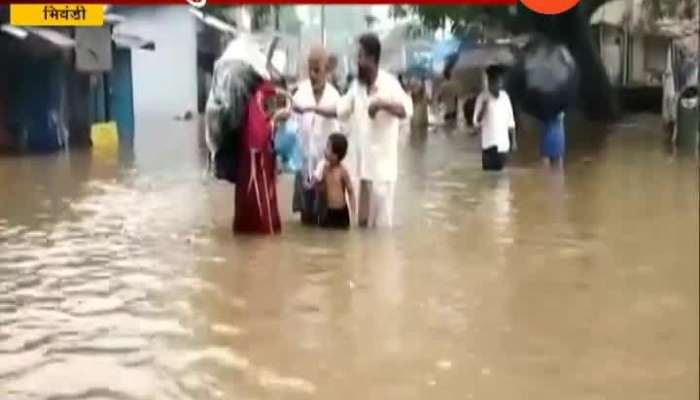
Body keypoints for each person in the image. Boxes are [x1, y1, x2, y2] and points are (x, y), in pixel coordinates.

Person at [301, 33, 412, 228]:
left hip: (383, 175)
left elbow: (406, 110)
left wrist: (382, 104)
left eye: (360, 56)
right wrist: (310, 108)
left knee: (381, 232)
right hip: (362, 172)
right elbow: (338, 109)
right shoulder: (356, 88)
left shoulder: (389, 84)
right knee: (361, 226)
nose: (357, 61)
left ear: (371, 58)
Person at [291, 46, 341, 225]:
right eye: (310, 69)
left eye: (317, 69)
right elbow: (291, 129)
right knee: (306, 221)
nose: (312, 74)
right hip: (304, 166)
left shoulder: (334, 97)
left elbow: (339, 133)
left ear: (327, 70)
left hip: (325, 168)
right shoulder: (300, 94)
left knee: (327, 220)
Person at [473, 65, 516, 171]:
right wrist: (483, 108)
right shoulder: (482, 98)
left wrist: (513, 141)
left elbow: (510, 121)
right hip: (488, 146)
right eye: (496, 83)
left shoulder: (505, 97)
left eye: (500, 82)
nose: (499, 85)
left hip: (503, 146)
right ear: (490, 83)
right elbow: (476, 122)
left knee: (502, 181)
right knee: (489, 179)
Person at [313, 133, 356, 229]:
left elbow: (350, 191)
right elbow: (319, 188)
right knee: (327, 236)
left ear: (336, 155)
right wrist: (315, 183)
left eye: (328, 147)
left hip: (342, 211)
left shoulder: (343, 171)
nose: (325, 150)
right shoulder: (323, 168)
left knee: (341, 237)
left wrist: (353, 211)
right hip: (327, 211)